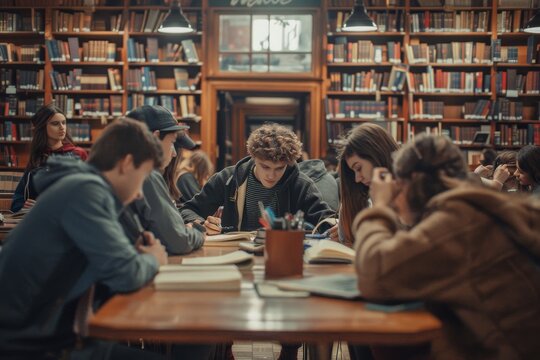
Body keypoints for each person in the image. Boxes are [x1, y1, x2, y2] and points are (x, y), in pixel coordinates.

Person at [352, 134, 540, 359]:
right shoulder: (483, 207)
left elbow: (374, 275)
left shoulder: (457, 222)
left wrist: (379, 207)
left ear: (410, 183)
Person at [0, 118, 168, 360]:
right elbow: (126, 274)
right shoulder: (86, 191)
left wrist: (134, 254)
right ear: (127, 163)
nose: (141, 192)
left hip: (47, 334)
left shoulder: (81, 186)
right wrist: (154, 260)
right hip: (30, 344)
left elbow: (111, 263)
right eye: (142, 178)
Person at [180, 123, 333, 235]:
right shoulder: (229, 179)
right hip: (234, 253)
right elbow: (188, 210)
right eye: (265, 167)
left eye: (279, 168)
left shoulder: (301, 185)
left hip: (282, 252)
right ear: (253, 158)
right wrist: (201, 224)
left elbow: (326, 220)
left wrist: (333, 226)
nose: (271, 176)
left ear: (289, 163)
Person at [123, 105, 205, 255]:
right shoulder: (145, 175)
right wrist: (198, 232)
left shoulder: (123, 170)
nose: (174, 154)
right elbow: (179, 241)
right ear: (154, 138)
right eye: (172, 142)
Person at [329, 123, 399, 245]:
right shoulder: (365, 195)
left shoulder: (412, 197)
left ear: (376, 155)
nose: (357, 179)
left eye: (359, 167)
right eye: (353, 171)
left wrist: (380, 205)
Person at [10, 104, 88, 213]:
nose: (62, 127)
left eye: (64, 122)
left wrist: (44, 206)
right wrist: (26, 207)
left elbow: (87, 195)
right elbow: (18, 200)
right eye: (55, 123)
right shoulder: (37, 158)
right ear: (42, 127)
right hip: (41, 221)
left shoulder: (78, 155)